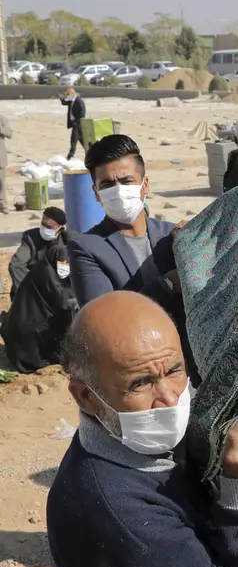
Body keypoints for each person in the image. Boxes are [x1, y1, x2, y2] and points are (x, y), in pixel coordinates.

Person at [47, 291, 238, 567]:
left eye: (174, 371)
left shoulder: (129, 440)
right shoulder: (120, 514)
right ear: (86, 396)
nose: (170, 399)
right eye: (141, 383)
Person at [67, 134, 201, 386]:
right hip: (140, 378)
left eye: (127, 180)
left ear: (144, 185)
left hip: (191, 366)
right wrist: (168, 284)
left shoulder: (171, 235)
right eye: (107, 184)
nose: (118, 190)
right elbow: (105, 320)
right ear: (96, 193)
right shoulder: (86, 248)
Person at [1, 243, 76, 373]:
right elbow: (64, 303)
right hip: (28, 337)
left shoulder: (45, 271)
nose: (64, 266)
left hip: (23, 327)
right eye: (61, 263)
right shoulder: (46, 276)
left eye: (67, 263)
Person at [9, 206, 67, 298]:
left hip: (56, 290)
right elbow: (17, 264)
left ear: (59, 228)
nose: (45, 229)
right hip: (32, 287)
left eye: (49, 227)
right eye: (43, 225)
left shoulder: (66, 241)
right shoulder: (30, 237)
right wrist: (29, 291)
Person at [60, 87, 86, 160]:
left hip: (78, 124)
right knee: (83, 142)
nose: (67, 96)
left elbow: (82, 113)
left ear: (72, 93)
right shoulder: (72, 100)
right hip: (76, 124)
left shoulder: (79, 101)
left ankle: (69, 157)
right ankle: (92, 153)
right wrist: (62, 97)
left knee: (73, 141)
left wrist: (77, 121)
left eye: (68, 94)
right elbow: (64, 103)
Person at [0, 113, 11, 214]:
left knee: (1, 183)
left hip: (0, 156)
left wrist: (1, 129)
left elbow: (9, 133)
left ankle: (3, 205)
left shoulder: (2, 119)